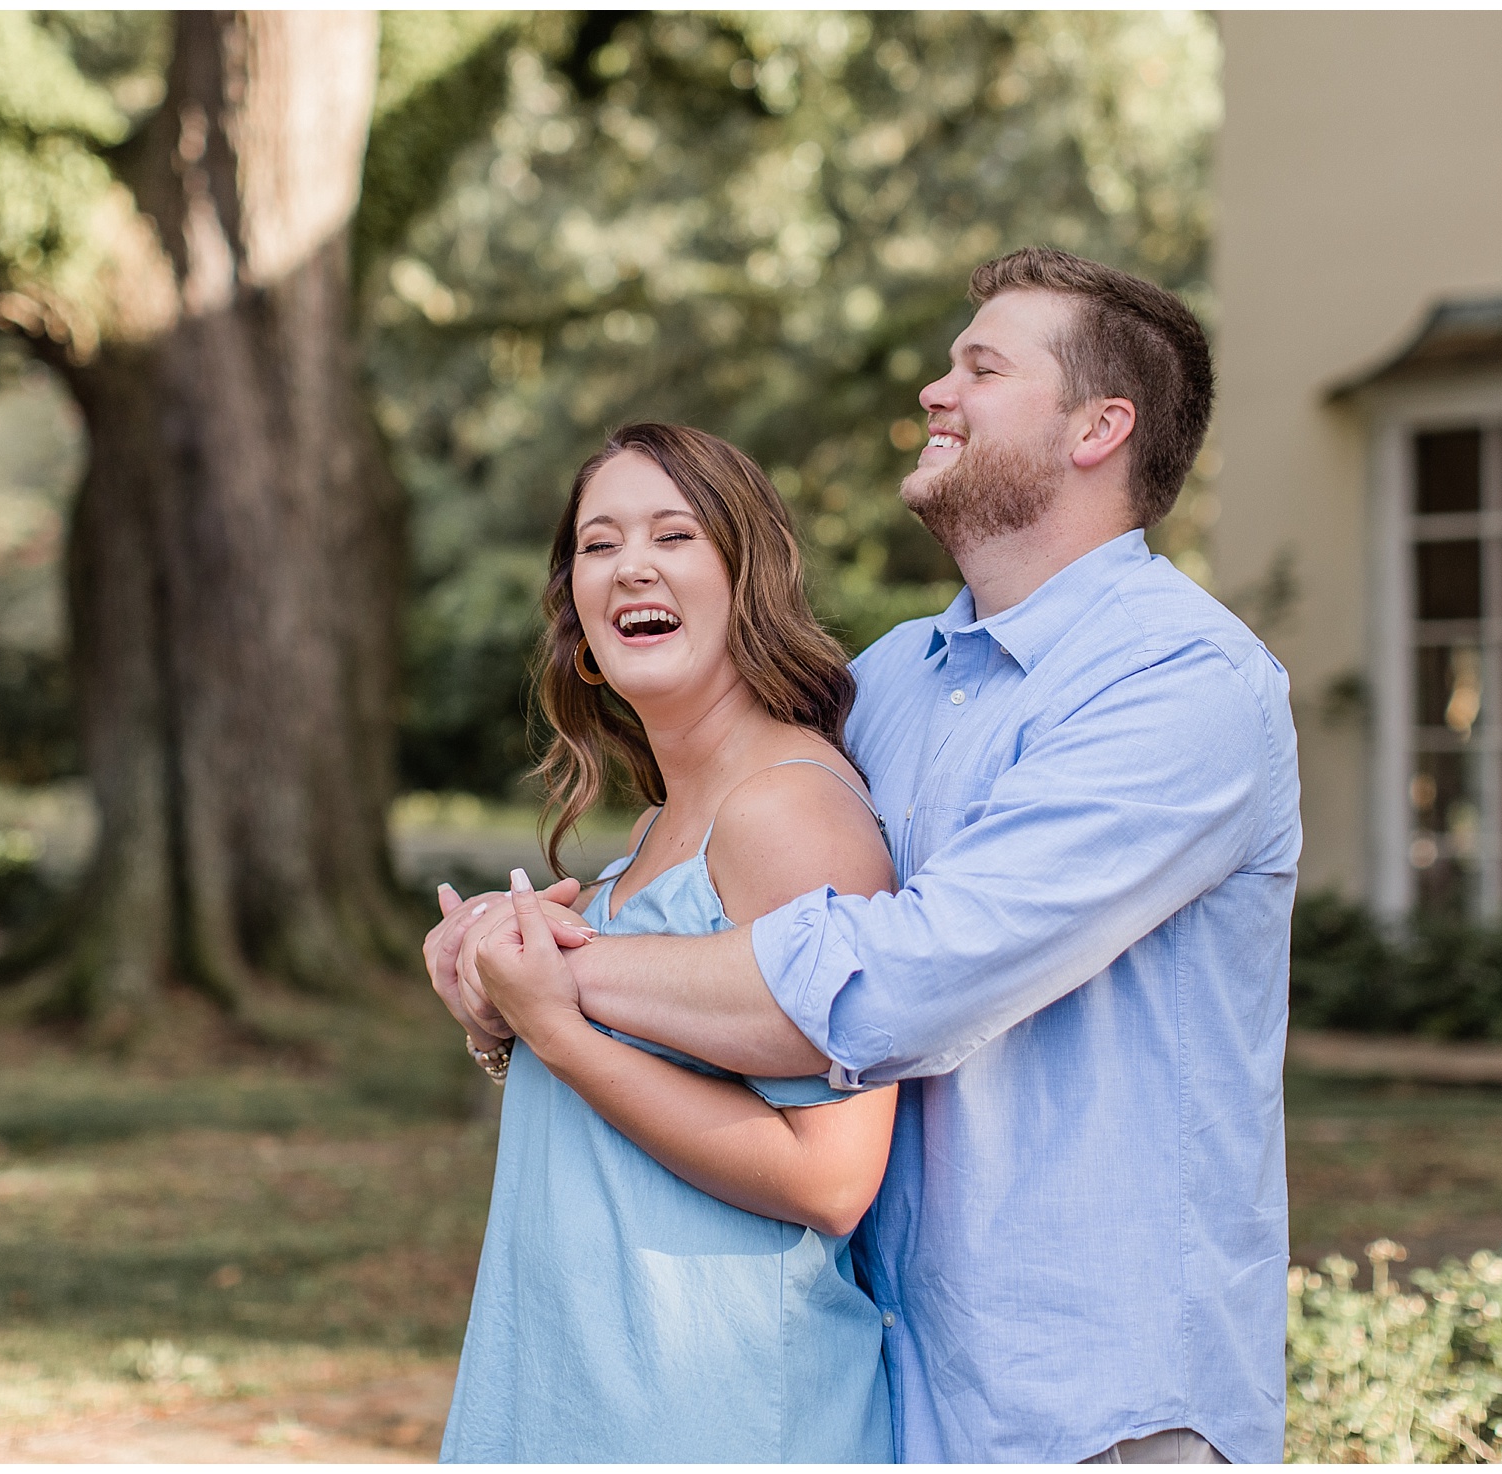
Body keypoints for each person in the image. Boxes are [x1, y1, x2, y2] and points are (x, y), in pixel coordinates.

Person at [456, 247, 1300, 1462]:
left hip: (1096, 1409)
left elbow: (903, 976)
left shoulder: (1183, 686)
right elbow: (721, 879)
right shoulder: (898, 678)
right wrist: (510, 946)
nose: (934, 394)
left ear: (1097, 428)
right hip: (914, 1383)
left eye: (981, 367)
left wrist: (548, 975)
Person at [428, 423, 897, 1463]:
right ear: (580, 624)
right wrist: (494, 1014)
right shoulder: (650, 834)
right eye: (598, 544)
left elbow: (830, 1178)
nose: (630, 562)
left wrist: (557, 1022)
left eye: (674, 533)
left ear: (747, 579)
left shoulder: (787, 812)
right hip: (575, 1382)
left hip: (717, 1405)